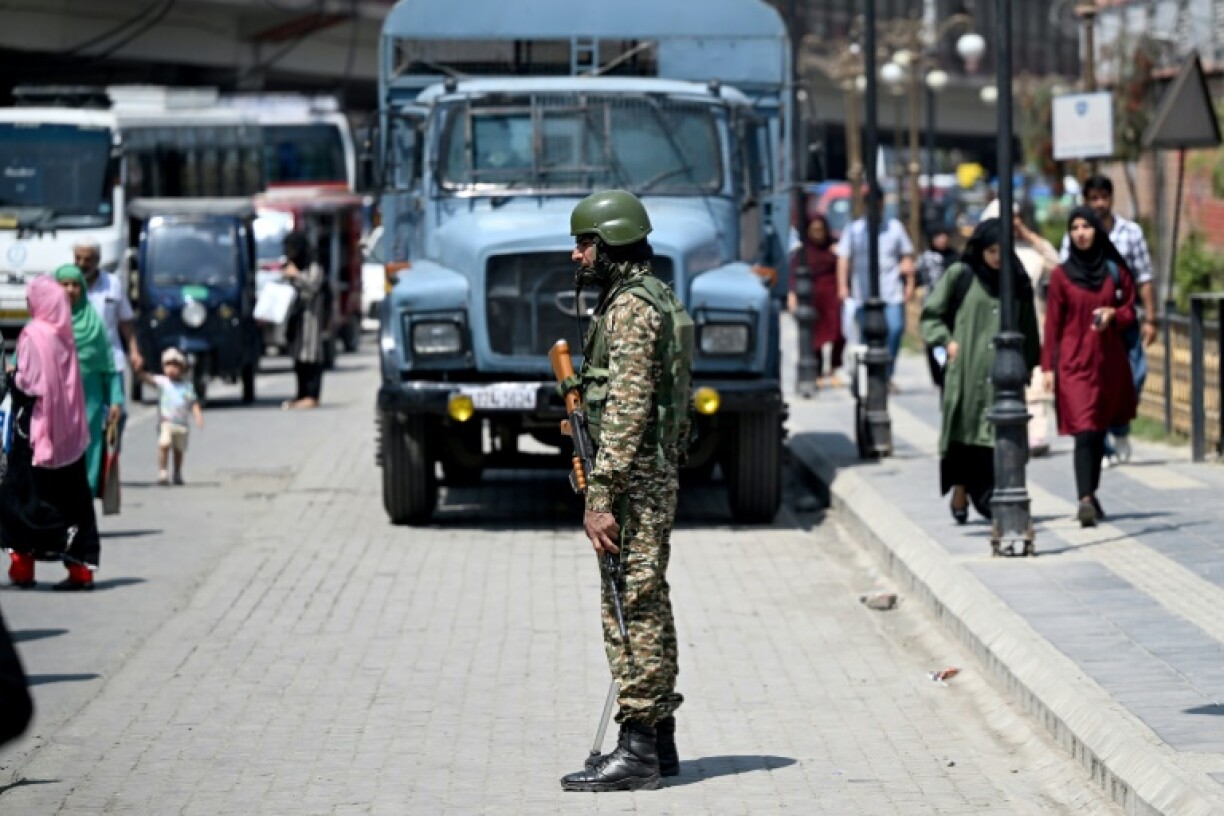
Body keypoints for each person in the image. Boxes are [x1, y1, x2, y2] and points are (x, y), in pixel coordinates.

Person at [559, 190, 692, 793]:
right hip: (647, 473)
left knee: (628, 606)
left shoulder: (631, 310)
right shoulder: (647, 296)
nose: (577, 254)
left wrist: (601, 493)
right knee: (646, 600)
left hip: (633, 479)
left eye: (585, 243)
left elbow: (630, 409)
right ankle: (657, 741)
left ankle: (638, 749)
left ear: (611, 245)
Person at [921, 219, 1040, 524]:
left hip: (1004, 379)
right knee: (964, 436)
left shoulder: (1016, 279)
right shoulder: (961, 275)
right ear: (980, 249)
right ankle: (960, 489)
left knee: (998, 436)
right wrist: (946, 342)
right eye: (991, 250)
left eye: (1003, 250)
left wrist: (1027, 366)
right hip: (967, 375)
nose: (998, 257)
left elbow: (1029, 326)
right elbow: (931, 315)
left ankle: (992, 497)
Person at [2, 276, 101, 590]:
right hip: (68, 431)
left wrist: (13, 376)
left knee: (20, 497)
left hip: (35, 429)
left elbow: (31, 384)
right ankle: (80, 570)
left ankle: (23, 568)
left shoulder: (32, 334)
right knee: (71, 497)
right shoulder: (64, 333)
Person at [1044, 207, 1138, 528]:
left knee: (1097, 430)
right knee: (1084, 430)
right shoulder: (1061, 276)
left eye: (1086, 226)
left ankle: (1091, 493)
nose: (1081, 233)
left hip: (1106, 363)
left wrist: (1114, 314)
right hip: (1072, 364)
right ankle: (1084, 498)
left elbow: (1130, 311)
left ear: (1097, 230)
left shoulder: (1114, 271)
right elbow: (1052, 325)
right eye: (1075, 227)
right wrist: (1046, 368)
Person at [1060, 175, 1155, 465]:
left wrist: (1151, 317)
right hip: (1089, 327)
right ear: (1086, 201)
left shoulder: (1131, 233)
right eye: (1093, 198)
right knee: (1094, 386)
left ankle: (1120, 426)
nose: (1099, 204)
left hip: (1124, 321)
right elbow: (1064, 280)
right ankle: (1105, 445)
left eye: (1104, 197)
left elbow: (1144, 277)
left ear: (1111, 199)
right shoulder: (1074, 236)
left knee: (1134, 376)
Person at [982, 199, 1060, 456]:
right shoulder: (985, 256)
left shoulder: (1029, 253)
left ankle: (1036, 435)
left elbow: (1057, 264)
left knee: (1034, 379)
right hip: (995, 327)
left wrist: (1025, 233)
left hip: (1031, 322)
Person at [836, 188, 917, 389]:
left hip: (891, 291)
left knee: (895, 329)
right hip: (863, 294)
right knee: (865, 336)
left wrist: (910, 283)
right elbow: (843, 259)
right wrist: (842, 286)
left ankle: (886, 374)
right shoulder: (854, 230)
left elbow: (906, 255)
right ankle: (868, 377)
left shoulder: (895, 228)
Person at [54, 265, 124, 498]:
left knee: (89, 453)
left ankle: (83, 508)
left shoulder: (95, 327)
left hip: (89, 404)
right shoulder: (47, 324)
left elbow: (109, 367)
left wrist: (115, 399)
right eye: (64, 284)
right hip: (55, 406)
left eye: (75, 285)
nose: (70, 289)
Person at [787, 214, 844, 387]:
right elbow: (793, 276)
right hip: (812, 298)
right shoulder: (803, 253)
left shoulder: (834, 248)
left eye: (821, 230)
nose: (818, 234)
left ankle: (834, 368)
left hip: (833, 297)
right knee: (815, 336)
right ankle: (817, 371)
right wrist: (792, 296)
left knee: (838, 333)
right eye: (814, 230)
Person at [140, 348, 204, 486]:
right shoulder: (163, 383)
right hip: (166, 422)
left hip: (181, 424)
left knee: (178, 450)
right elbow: (149, 380)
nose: (172, 369)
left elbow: (193, 403)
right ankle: (163, 470)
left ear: (182, 368)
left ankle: (177, 472)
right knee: (164, 444)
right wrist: (140, 372)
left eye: (176, 366)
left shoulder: (187, 386)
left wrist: (198, 416)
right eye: (168, 365)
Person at [282, 230, 326, 410]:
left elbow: (313, 286)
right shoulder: (293, 265)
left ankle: (312, 395)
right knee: (299, 358)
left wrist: (296, 276)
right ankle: (301, 395)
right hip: (297, 319)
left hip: (312, 320)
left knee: (312, 357)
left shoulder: (313, 266)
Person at [915, 226, 959, 387]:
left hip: (952, 307)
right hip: (932, 306)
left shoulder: (955, 257)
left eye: (945, 235)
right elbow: (916, 278)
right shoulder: (925, 258)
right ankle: (938, 375)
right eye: (938, 236)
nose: (942, 239)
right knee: (933, 341)